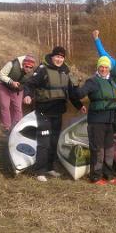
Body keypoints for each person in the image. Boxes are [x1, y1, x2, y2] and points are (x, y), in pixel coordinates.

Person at [23, 46, 85, 182]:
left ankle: (50, 167)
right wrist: (27, 95)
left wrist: (79, 106)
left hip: (58, 112)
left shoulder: (65, 72)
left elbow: (71, 92)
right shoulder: (42, 69)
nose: (59, 59)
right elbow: (29, 84)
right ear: (52, 57)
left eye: (62, 57)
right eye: (57, 56)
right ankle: (40, 170)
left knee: (54, 141)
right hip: (43, 111)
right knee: (44, 141)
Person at [74, 56, 116, 185]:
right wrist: (76, 86)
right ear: (98, 67)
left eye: (106, 67)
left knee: (109, 150)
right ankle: (95, 177)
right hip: (96, 121)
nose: (104, 69)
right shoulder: (92, 82)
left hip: (110, 121)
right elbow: (80, 94)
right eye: (101, 67)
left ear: (109, 68)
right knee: (98, 150)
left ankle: (108, 175)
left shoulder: (111, 81)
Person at [0, 54, 36, 134]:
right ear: (23, 64)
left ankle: (18, 127)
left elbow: (29, 85)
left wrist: (27, 96)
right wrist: (11, 82)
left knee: (17, 107)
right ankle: (7, 127)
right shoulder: (11, 64)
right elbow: (0, 75)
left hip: (18, 88)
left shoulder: (33, 73)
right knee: (5, 106)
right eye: (26, 66)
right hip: (4, 86)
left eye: (30, 67)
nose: (28, 69)